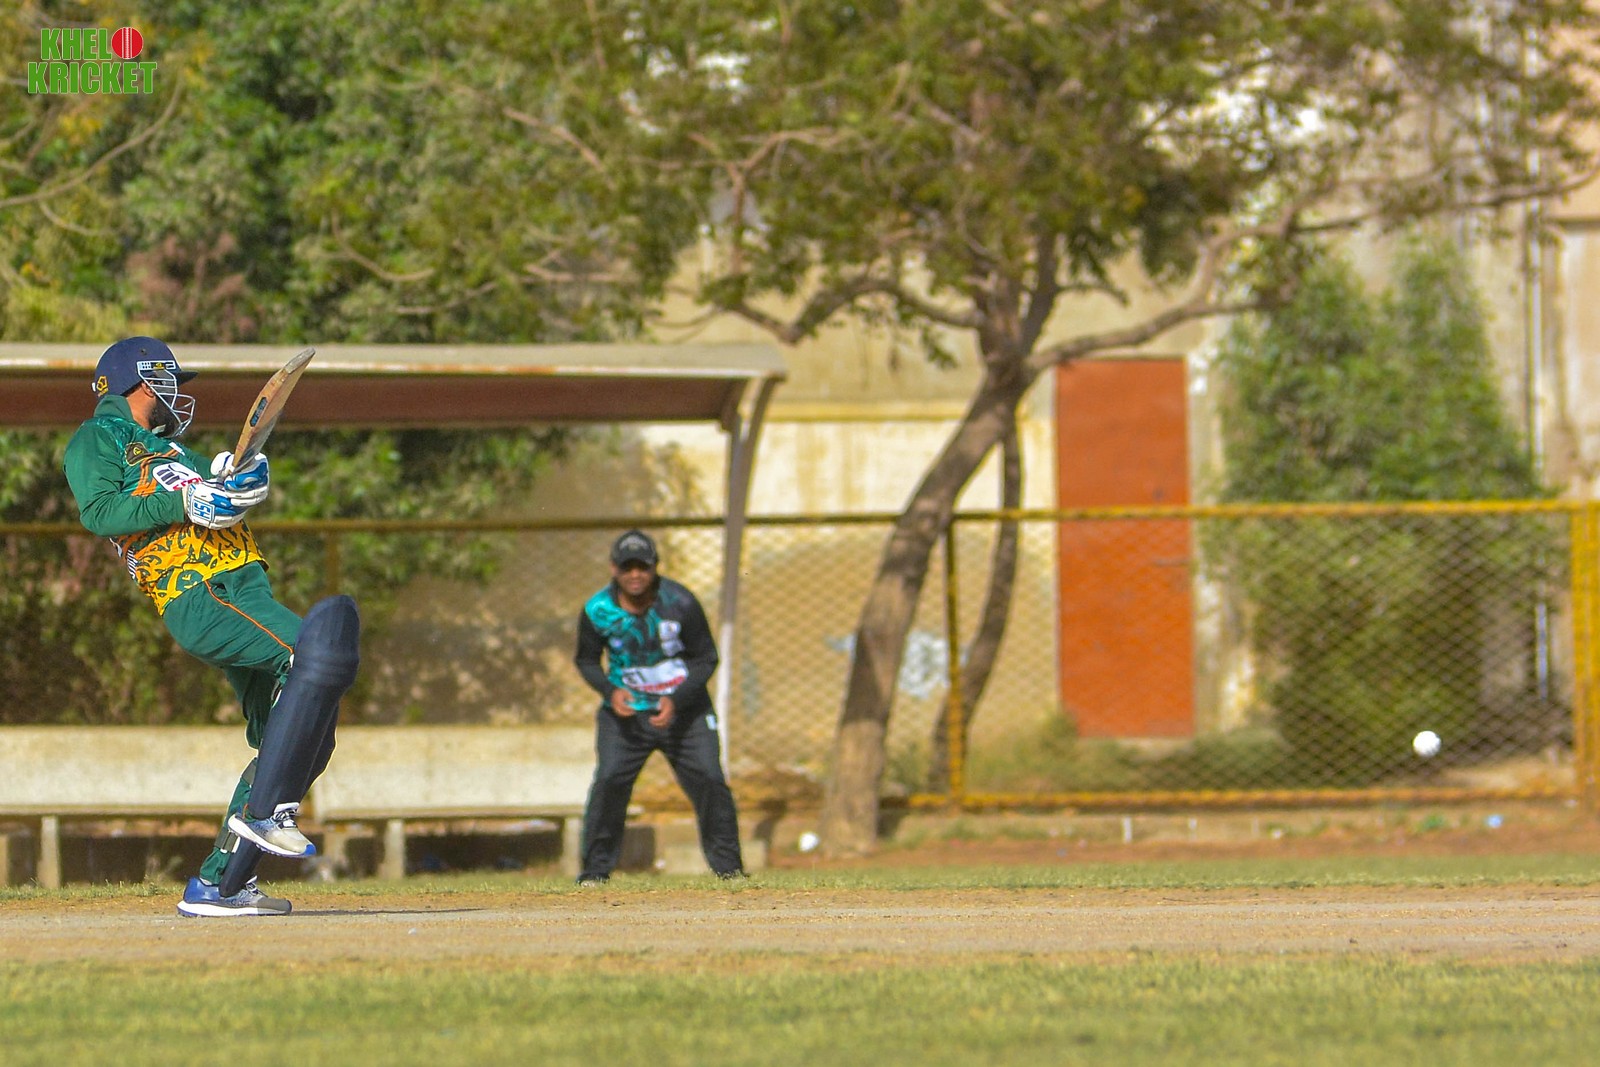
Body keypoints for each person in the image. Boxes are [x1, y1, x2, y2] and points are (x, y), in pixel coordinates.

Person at [64, 336, 360, 918]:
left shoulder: (174, 452)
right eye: (171, 380)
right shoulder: (97, 437)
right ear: (141, 380)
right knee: (313, 657)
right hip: (200, 590)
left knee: (304, 739)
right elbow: (100, 512)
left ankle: (219, 886)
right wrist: (185, 504)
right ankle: (266, 814)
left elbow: (218, 488)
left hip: (243, 589)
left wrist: (238, 481)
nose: (179, 394)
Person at [573, 529, 746, 884]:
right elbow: (586, 660)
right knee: (609, 781)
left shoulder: (680, 603)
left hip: (686, 715)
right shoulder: (597, 610)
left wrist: (676, 699)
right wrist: (609, 691)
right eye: (627, 567)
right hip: (625, 719)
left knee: (710, 780)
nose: (635, 575)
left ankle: (730, 872)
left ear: (655, 568)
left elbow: (706, 659)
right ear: (614, 569)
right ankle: (594, 873)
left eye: (643, 567)